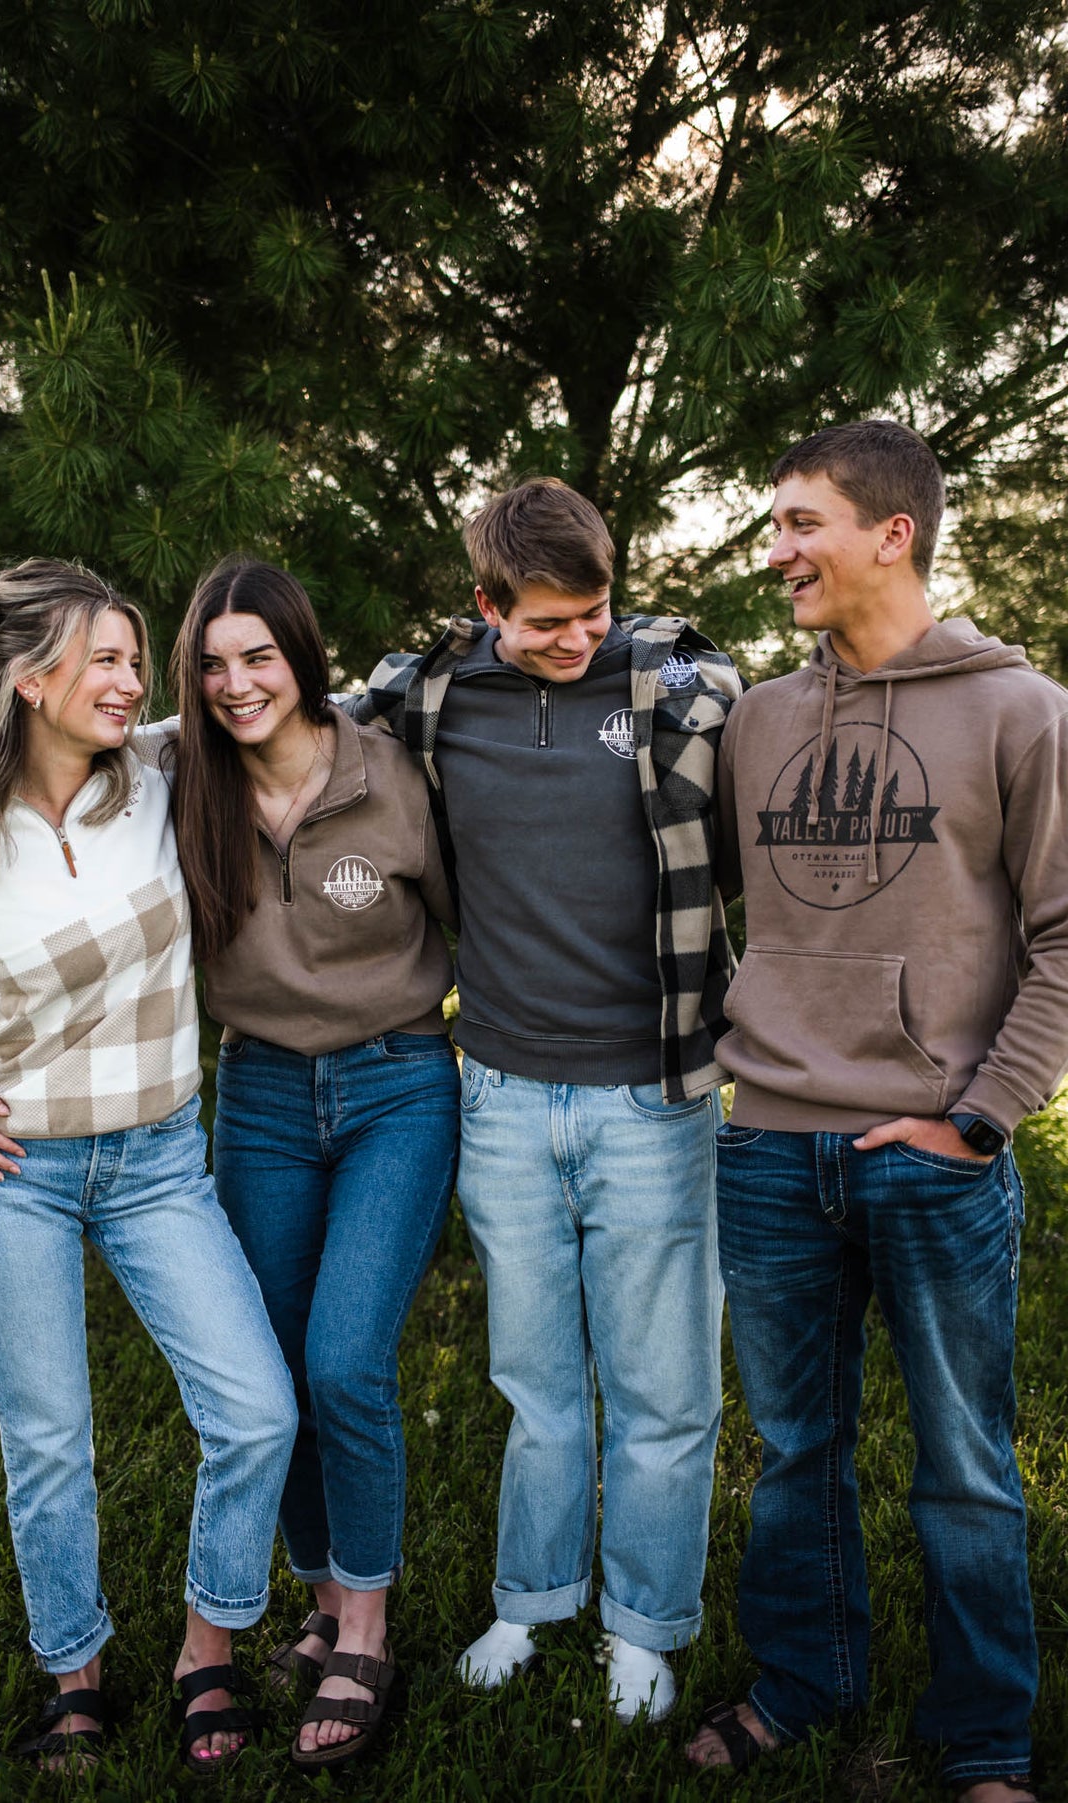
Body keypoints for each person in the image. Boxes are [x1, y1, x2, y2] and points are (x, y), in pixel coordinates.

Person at [685, 421, 1068, 1803]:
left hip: (931, 1145)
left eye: (800, 523)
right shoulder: (761, 719)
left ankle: (983, 1735)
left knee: (965, 1464)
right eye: (770, 523)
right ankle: (804, 1677)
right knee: (795, 1451)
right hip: (772, 1135)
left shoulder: (1021, 710)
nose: (774, 548)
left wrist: (980, 1117)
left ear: (891, 533)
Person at [0, 560, 297, 1775]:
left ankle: (208, 1650)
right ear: (27, 681)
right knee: (49, 1438)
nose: (129, 679)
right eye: (103, 658)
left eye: (130, 657)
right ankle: (77, 1673)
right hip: (18, 1170)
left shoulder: (163, 769)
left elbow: (302, 695)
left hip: (161, 1160)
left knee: (257, 1414)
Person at [345, 477, 743, 1722]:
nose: (576, 639)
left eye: (595, 612)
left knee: (664, 1386)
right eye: (547, 622)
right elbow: (279, 736)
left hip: (656, 1096)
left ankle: (645, 1624)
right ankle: (532, 1599)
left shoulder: (668, 688)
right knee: (535, 1379)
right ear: (486, 607)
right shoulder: (429, 700)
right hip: (503, 1094)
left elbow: (754, 723)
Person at [164, 558, 460, 1769]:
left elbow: (480, 921)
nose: (238, 685)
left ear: (303, 658)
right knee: (273, 1376)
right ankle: (320, 1595)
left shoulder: (393, 773)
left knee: (346, 1360)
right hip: (264, 1092)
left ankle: (370, 1623)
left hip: (398, 1081)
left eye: (260, 657)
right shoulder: (176, 782)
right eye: (215, 664)